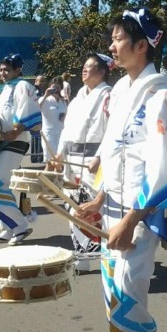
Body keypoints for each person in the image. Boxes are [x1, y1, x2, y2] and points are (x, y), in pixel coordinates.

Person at [77, 8, 167, 332]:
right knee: (114, 301)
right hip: (114, 215)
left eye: (119, 39)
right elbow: (116, 154)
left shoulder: (162, 99)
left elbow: (162, 169)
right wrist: (100, 198)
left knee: (129, 302)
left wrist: (130, 219)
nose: (112, 45)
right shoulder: (122, 91)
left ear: (142, 46)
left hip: (138, 218)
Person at [52, 54, 113, 271]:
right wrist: (59, 155)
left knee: (99, 206)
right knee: (75, 206)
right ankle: (82, 256)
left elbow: (113, 132)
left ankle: (108, 252)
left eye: (90, 67)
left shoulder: (109, 96)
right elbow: (66, 131)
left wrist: (100, 156)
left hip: (97, 159)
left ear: (102, 71)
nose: (84, 70)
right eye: (84, 67)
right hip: (73, 160)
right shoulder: (77, 98)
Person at [0, 54, 42, 245]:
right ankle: (8, 228)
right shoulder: (3, 89)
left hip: (16, 140)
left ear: (18, 70)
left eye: (7, 70)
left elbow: (27, 110)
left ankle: (20, 226)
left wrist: (16, 130)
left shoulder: (23, 86)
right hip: (1, 142)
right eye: (1, 70)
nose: (2, 73)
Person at [39, 76, 67, 161]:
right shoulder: (45, 100)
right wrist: (45, 95)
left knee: (60, 160)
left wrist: (64, 116)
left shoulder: (63, 101)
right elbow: (37, 108)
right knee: (51, 160)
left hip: (61, 133)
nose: (55, 89)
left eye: (58, 87)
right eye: (53, 87)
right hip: (49, 134)